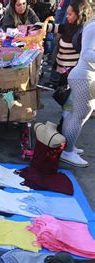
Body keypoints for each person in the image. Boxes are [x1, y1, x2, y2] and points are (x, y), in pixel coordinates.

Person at [60, 16, 95, 167]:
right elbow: (86, 53)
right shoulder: (93, 26)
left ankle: (68, 146)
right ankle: (67, 152)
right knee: (78, 116)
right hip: (83, 77)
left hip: (83, 76)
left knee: (73, 114)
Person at [44, 0, 92, 105]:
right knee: (64, 100)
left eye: (70, 14)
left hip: (73, 74)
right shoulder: (68, 25)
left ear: (79, 14)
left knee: (69, 102)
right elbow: (57, 27)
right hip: (63, 71)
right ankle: (65, 117)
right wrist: (42, 26)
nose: (67, 16)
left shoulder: (82, 31)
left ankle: (66, 119)